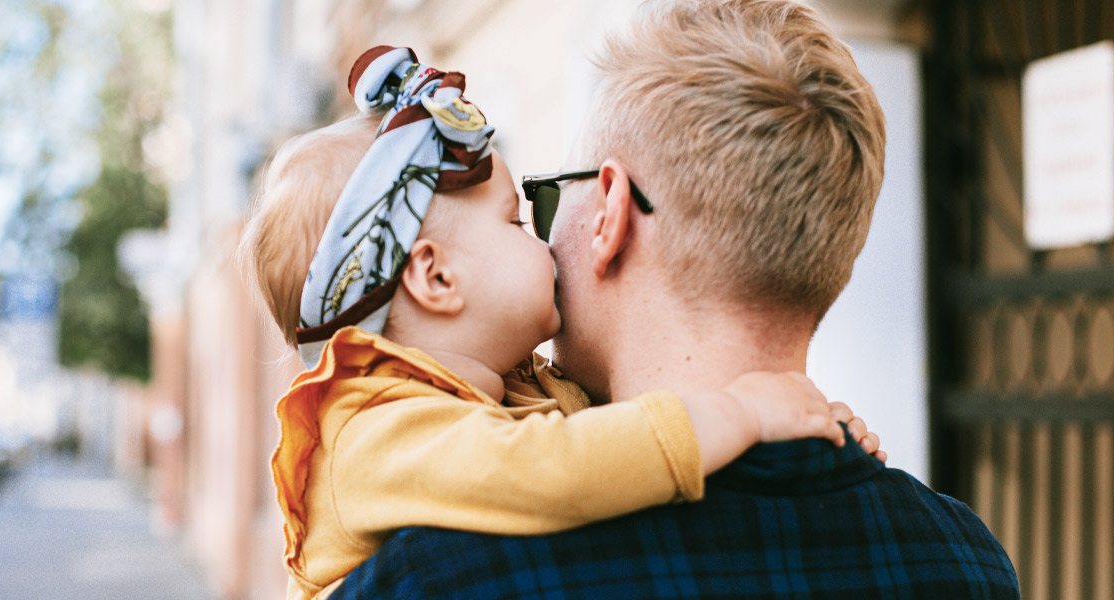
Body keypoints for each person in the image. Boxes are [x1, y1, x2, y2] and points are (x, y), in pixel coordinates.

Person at [328, 0, 1021, 598]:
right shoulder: (964, 561)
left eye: (538, 204)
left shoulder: (436, 576)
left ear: (610, 213)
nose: (539, 241)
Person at [239, 44, 884, 600]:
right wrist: (742, 413)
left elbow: (622, 431)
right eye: (515, 221)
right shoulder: (374, 432)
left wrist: (798, 423)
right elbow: (558, 470)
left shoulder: (514, 389)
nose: (542, 241)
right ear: (435, 279)